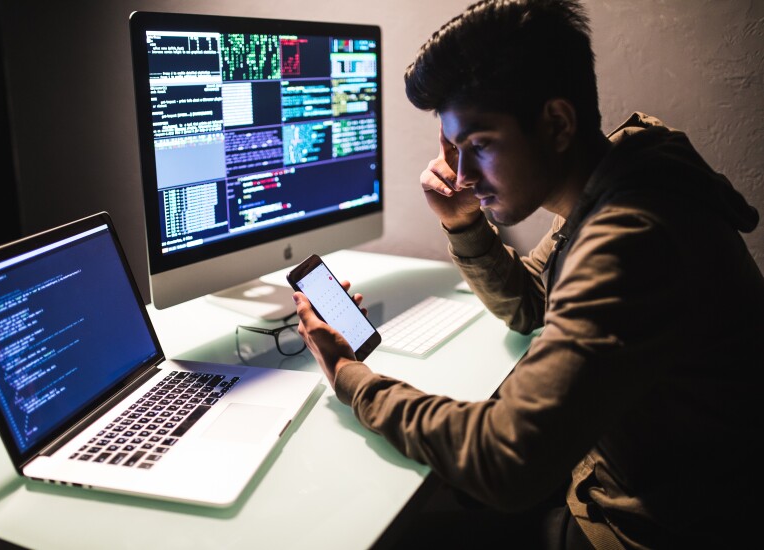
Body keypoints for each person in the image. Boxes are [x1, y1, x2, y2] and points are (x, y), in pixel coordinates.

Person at [292, 0, 764, 547]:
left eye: (481, 146)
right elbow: (528, 303)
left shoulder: (631, 234)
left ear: (557, 123)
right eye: (455, 149)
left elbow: (507, 461)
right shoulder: (617, 177)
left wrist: (352, 379)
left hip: (649, 528)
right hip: (620, 482)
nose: (463, 175)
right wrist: (466, 223)